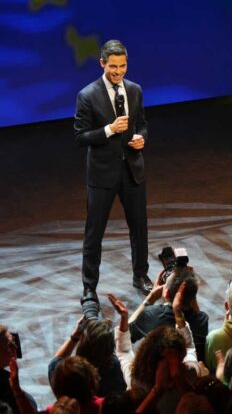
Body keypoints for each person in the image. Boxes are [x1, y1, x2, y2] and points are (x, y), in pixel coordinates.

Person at [74, 39, 152, 311]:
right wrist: (108, 130)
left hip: (132, 169)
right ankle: (88, 288)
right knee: (94, 233)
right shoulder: (87, 95)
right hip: (102, 174)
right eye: (113, 67)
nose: (118, 72)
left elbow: (141, 124)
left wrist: (141, 138)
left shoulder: (134, 90)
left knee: (139, 227)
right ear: (102, 64)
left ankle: (141, 275)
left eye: (122, 66)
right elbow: (80, 136)